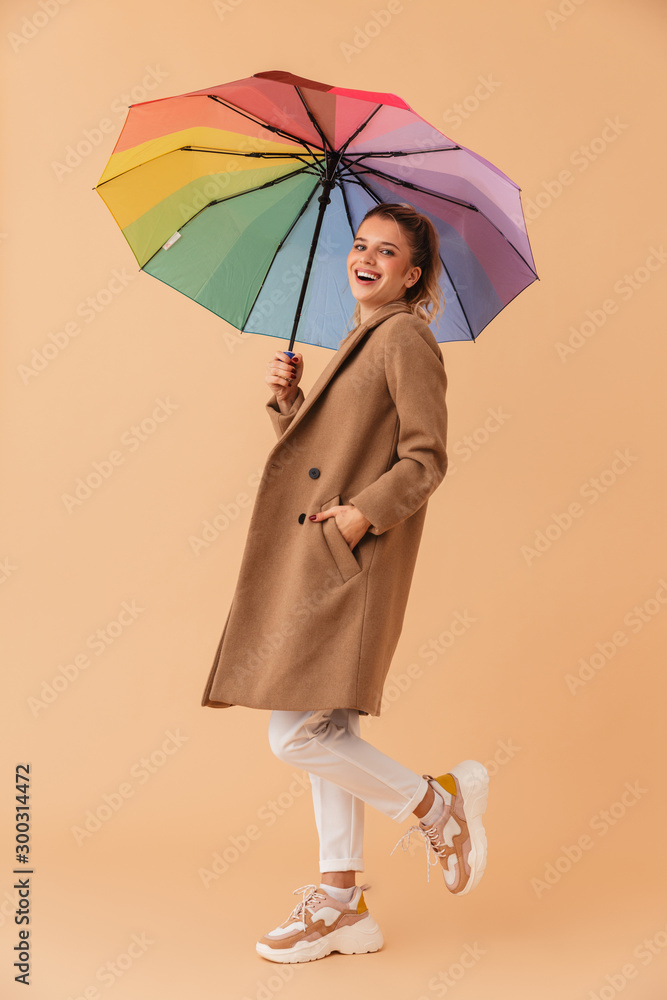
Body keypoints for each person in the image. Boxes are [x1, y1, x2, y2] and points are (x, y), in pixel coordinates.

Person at [201, 203, 489, 964]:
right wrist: (291, 403)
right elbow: (337, 452)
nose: (365, 258)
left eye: (386, 251)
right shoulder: (363, 338)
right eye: (359, 245)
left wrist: (359, 518)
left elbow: (425, 460)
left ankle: (435, 804)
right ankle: (340, 902)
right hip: (330, 556)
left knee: (296, 734)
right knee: (327, 731)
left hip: (351, 560)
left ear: (412, 274)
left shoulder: (405, 338)